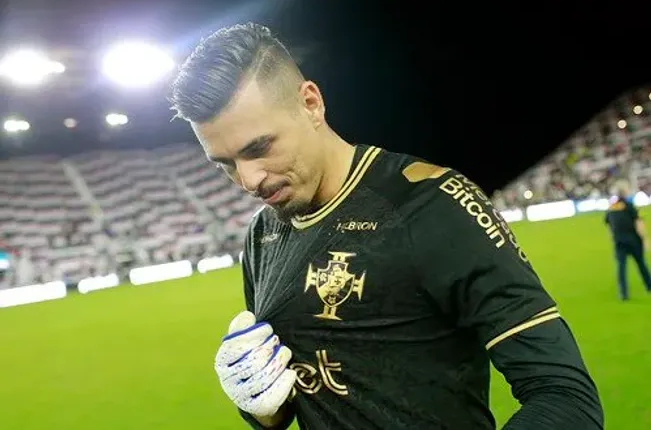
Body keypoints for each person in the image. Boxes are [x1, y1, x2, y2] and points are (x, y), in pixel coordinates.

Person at [169, 23, 604, 429]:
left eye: (259, 147)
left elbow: (565, 397)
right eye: (225, 163)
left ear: (310, 103)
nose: (249, 180)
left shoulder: (432, 204)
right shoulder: (264, 235)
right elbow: (292, 403)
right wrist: (260, 405)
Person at [605, 179, 651, 300]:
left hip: (619, 241)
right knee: (641, 264)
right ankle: (649, 285)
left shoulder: (612, 207)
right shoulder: (629, 205)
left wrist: (613, 237)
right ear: (625, 192)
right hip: (633, 240)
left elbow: (609, 224)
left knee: (621, 267)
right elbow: (638, 222)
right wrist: (645, 239)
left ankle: (623, 293)